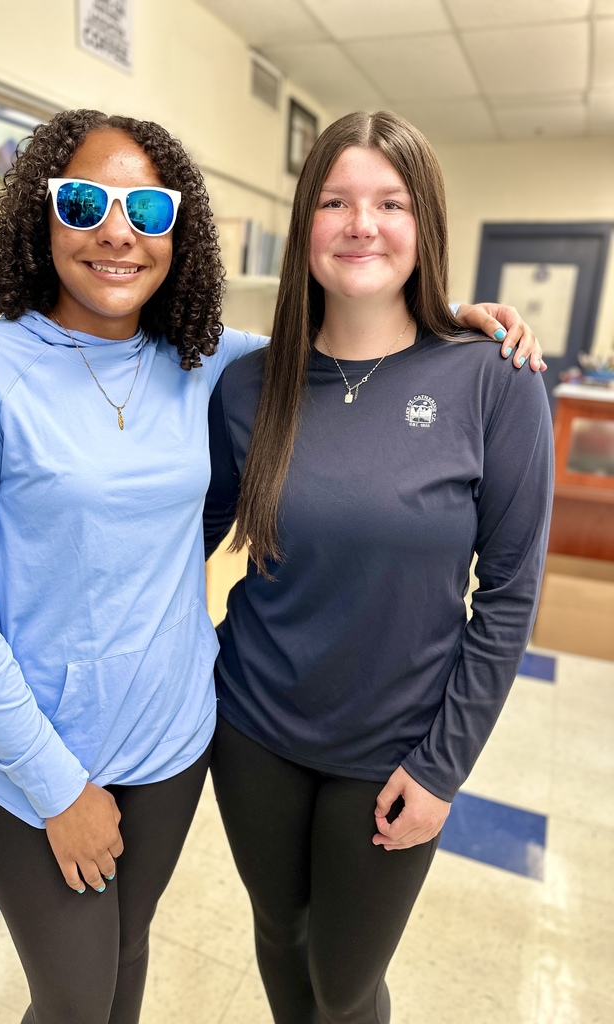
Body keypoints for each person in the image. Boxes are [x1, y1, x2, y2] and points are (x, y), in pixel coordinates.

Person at [0, 108, 544, 1024]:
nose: (116, 232)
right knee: (88, 992)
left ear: (179, 234)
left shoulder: (215, 366)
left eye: (146, 211)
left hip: (197, 742)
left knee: (198, 962)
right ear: (41, 217)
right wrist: (55, 780)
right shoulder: (6, 371)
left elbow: (504, 583)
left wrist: (457, 323)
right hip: (129, 741)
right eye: (83, 202)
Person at [204, 110, 554, 1024]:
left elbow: (509, 595)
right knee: (279, 934)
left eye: (391, 203)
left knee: (345, 985)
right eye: (336, 201)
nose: (362, 223)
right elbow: (176, 542)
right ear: (305, 225)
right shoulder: (249, 386)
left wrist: (443, 769)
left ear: (424, 223)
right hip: (251, 728)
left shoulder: (495, 379)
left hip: (395, 747)